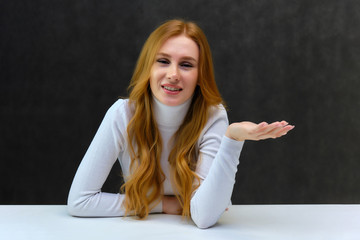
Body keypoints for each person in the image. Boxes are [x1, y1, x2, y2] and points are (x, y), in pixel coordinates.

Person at [67, 19, 294, 229]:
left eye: (186, 65)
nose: (173, 74)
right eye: (163, 61)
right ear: (148, 67)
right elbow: (80, 201)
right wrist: (168, 205)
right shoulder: (122, 114)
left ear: (199, 75)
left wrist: (233, 139)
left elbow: (204, 216)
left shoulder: (212, 115)